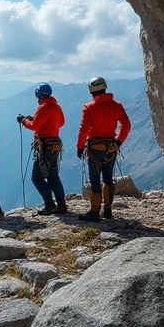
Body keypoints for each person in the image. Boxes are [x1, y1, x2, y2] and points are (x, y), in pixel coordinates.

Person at [76, 77, 131, 221]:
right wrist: (119, 142)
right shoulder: (117, 105)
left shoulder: (89, 107)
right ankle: (108, 210)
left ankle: (94, 212)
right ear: (105, 87)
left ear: (91, 90)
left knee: (95, 179)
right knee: (108, 178)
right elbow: (126, 125)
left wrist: (80, 147)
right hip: (111, 147)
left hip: (95, 148)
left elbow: (83, 129)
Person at [17, 83, 67, 215]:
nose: (37, 99)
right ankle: (61, 205)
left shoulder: (43, 107)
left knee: (37, 177)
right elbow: (61, 122)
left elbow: (34, 126)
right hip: (54, 144)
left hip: (45, 145)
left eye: (38, 96)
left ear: (41, 95)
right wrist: (42, 122)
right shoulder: (56, 107)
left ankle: (50, 204)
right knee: (53, 176)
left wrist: (23, 121)